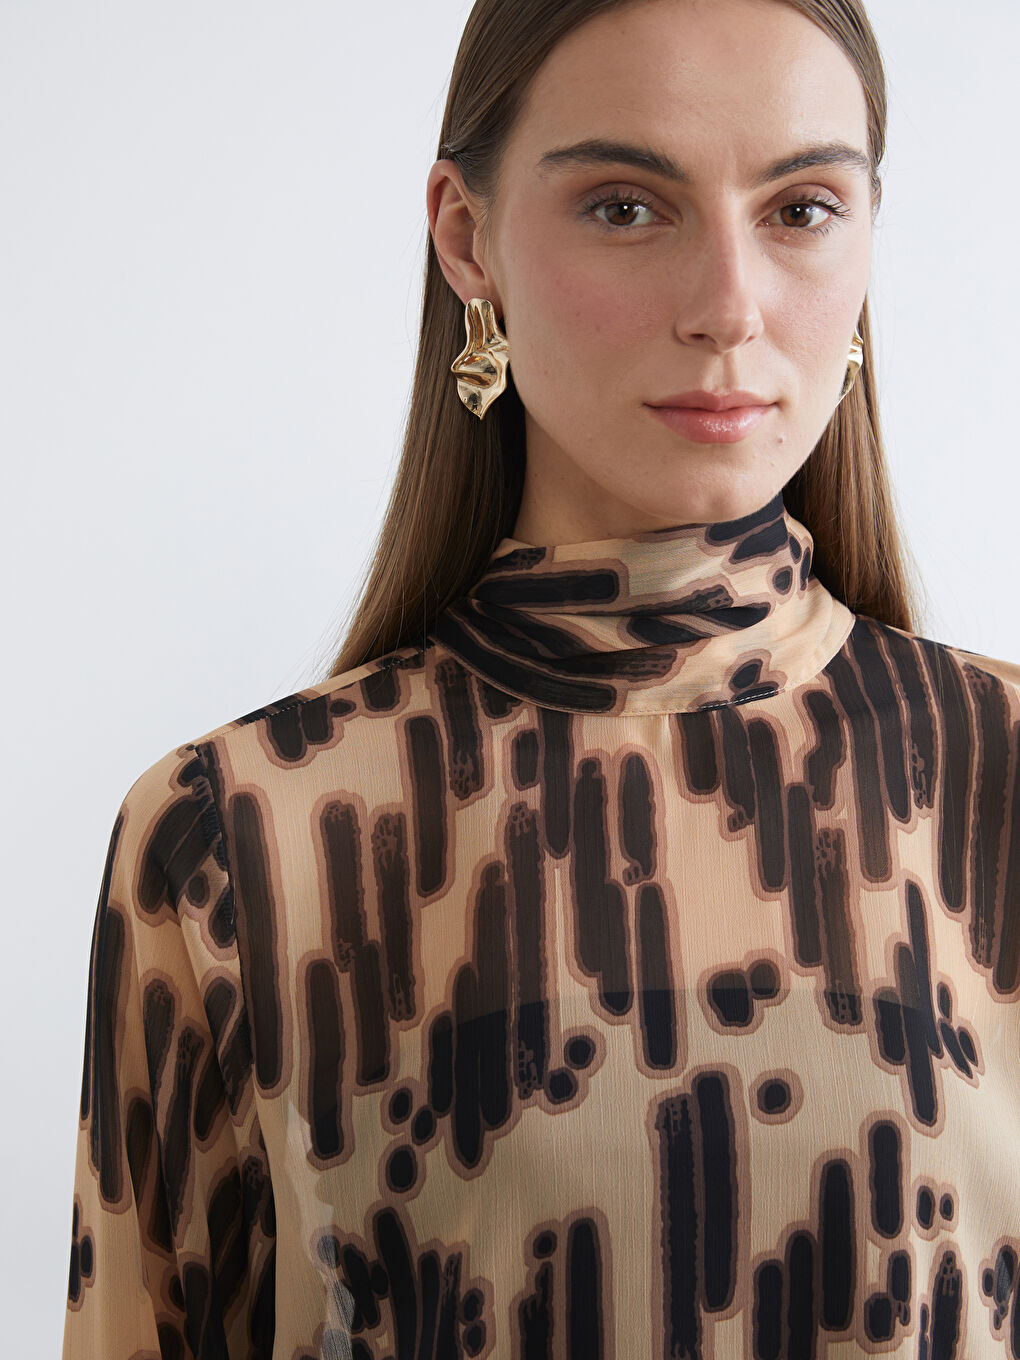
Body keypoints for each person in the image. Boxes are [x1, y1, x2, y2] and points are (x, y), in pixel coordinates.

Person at [62, 0, 1020, 1355]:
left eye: (802, 210)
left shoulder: (999, 782)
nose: (730, 307)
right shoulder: (238, 839)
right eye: (627, 208)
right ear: (467, 236)